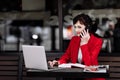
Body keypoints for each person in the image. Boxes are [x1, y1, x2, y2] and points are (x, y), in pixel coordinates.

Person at [48, 13, 105, 80]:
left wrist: (84, 44)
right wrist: (58, 62)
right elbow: (67, 56)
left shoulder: (97, 41)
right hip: (77, 75)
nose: (76, 30)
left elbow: (89, 64)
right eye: (75, 27)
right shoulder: (74, 39)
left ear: (87, 27)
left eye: (79, 27)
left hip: (91, 77)